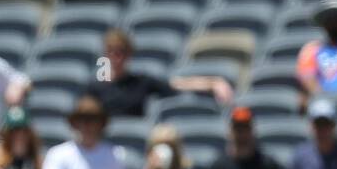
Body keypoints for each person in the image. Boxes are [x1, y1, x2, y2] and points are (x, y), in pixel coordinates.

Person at [85, 29, 233, 118]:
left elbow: (176, 85)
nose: (116, 57)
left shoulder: (140, 82)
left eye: (121, 51)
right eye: (112, 51)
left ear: (129, 53)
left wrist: (213, 83)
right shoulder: (96, 88)